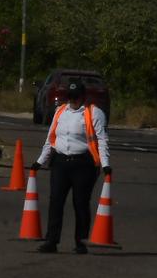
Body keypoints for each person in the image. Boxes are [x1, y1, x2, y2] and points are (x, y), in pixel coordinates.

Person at [31, 79, 111, 254]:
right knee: (56, 201)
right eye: (70, 97)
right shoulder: (60, 111)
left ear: (83, 96)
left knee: (80, 202)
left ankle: (81, 242)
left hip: (84, 164)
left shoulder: (94, 113)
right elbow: (50, 139)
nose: (73, 100)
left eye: (76, 97)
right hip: (60, 162)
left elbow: (102, 140)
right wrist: (40, 161)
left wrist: (105, 164)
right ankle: (51, 241)